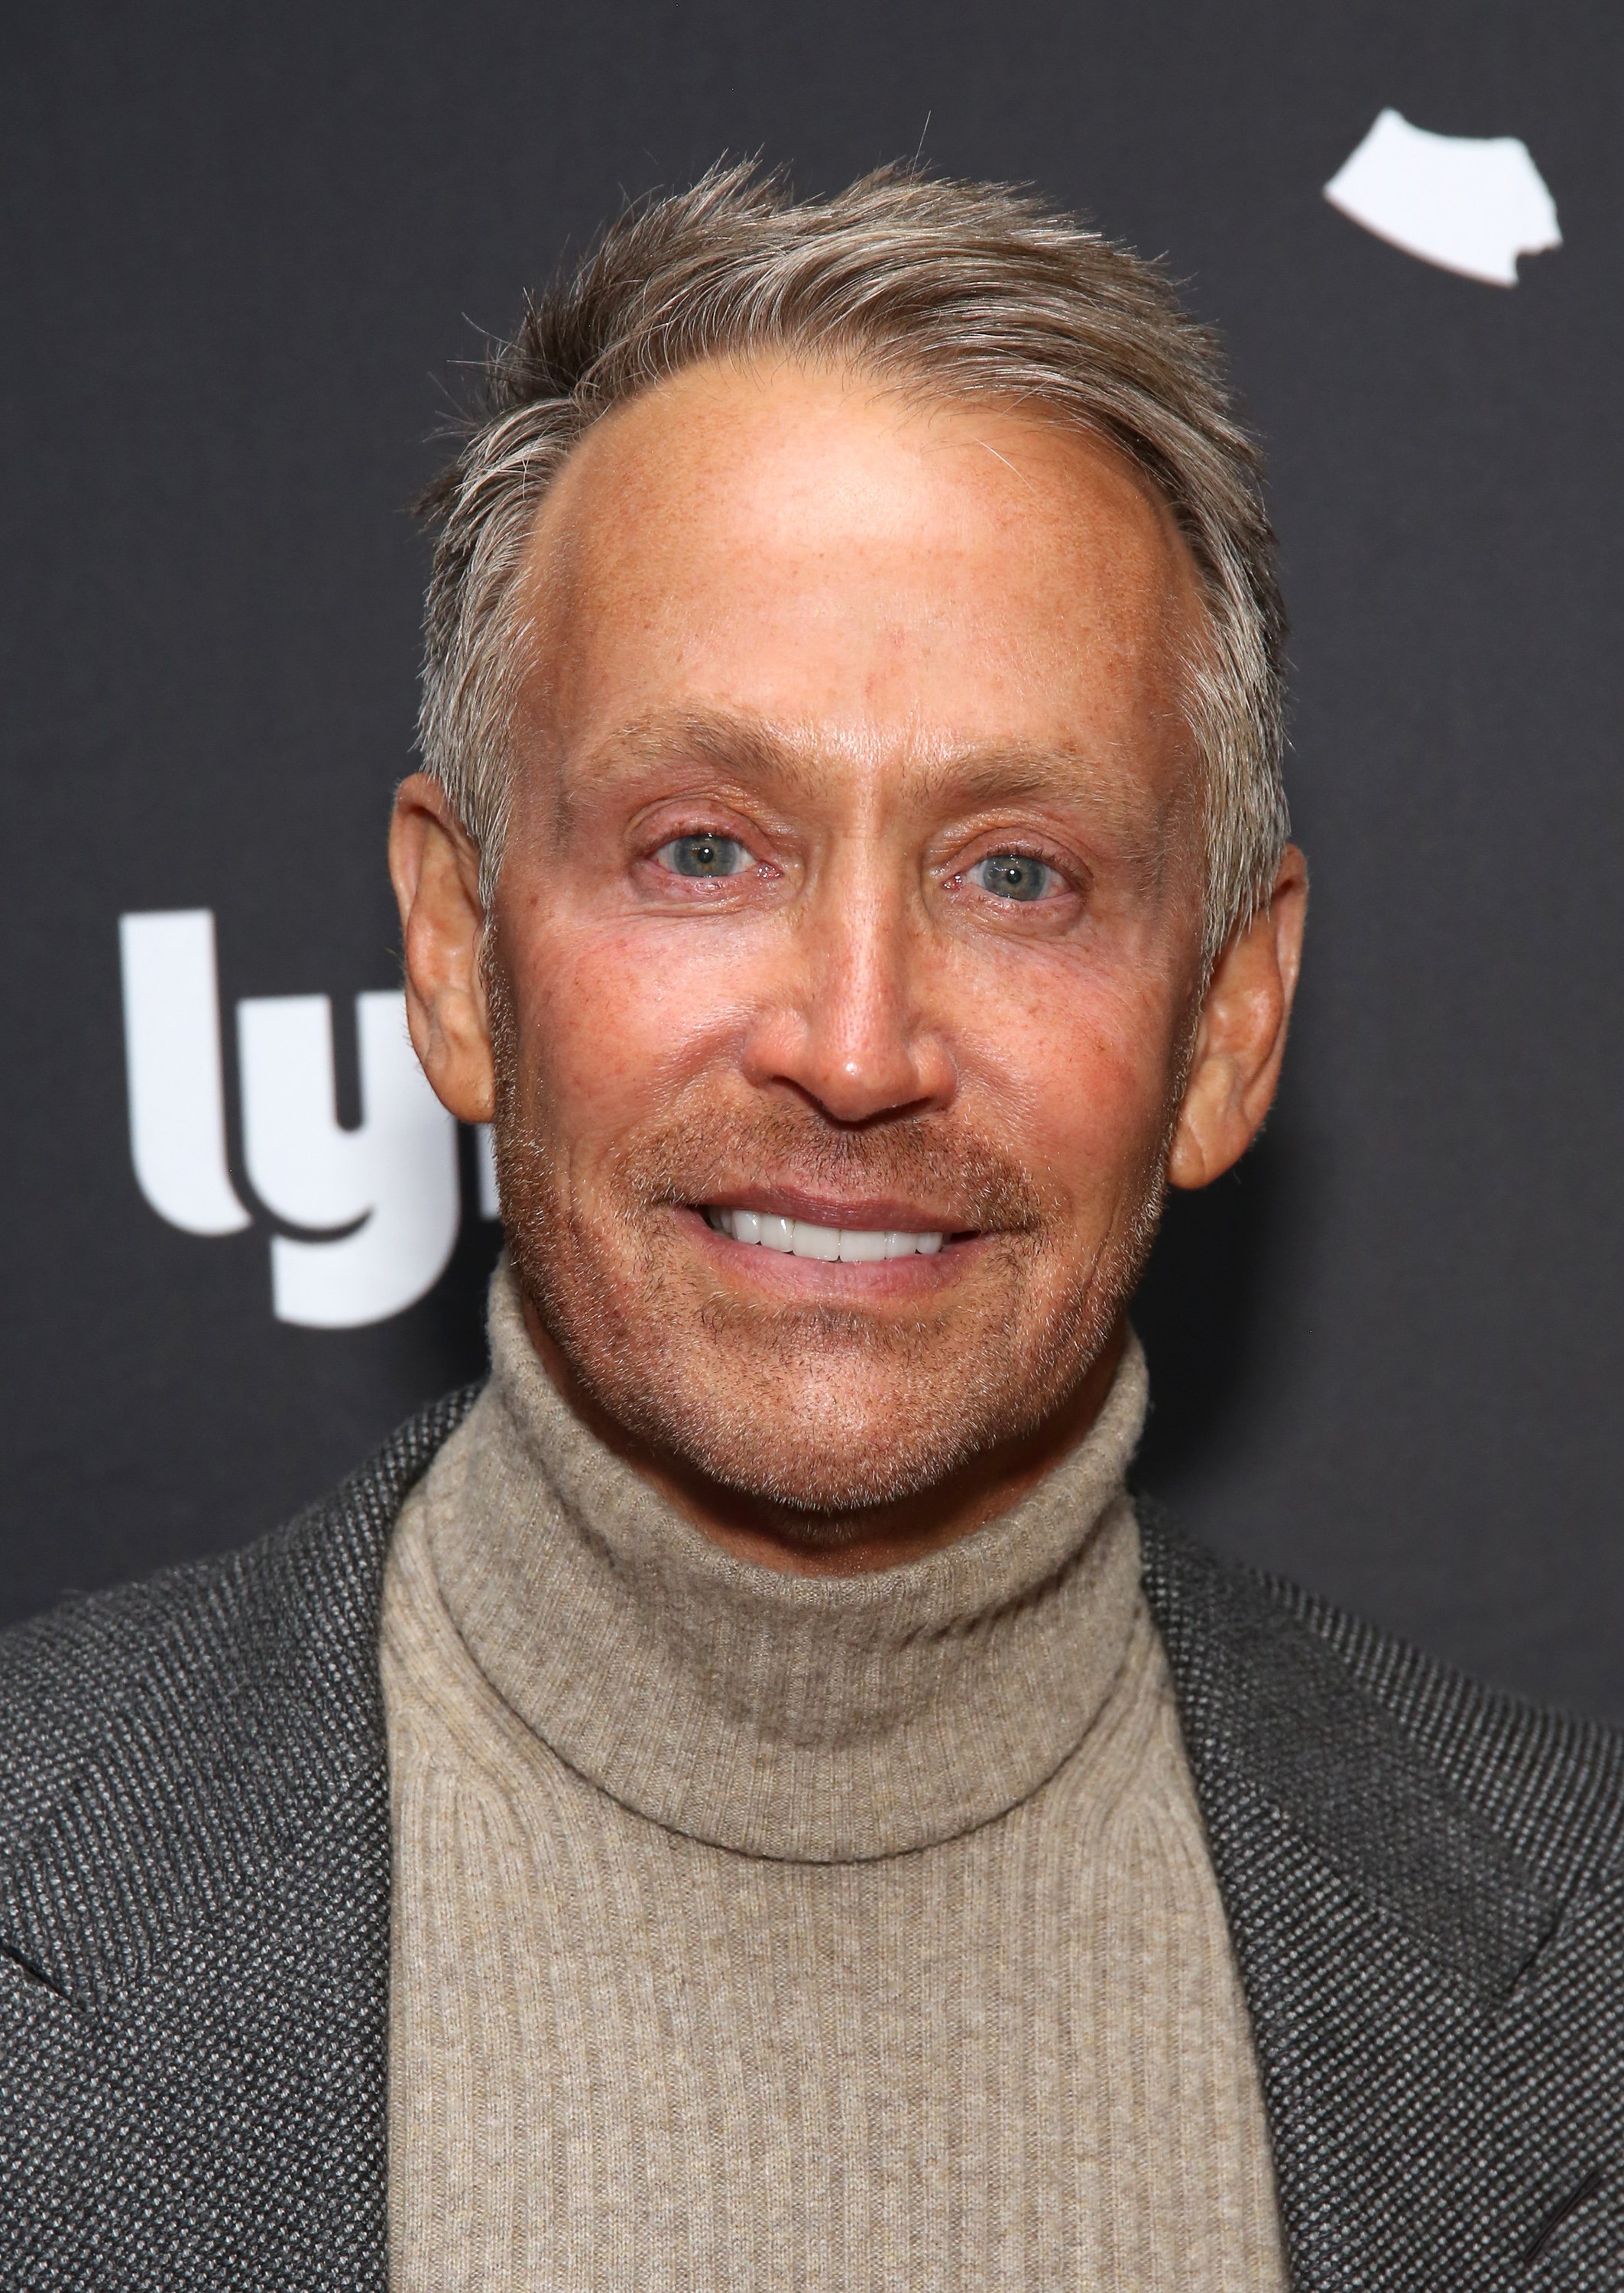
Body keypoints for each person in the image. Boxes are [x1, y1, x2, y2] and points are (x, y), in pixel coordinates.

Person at [2, 164, 1620, 2293]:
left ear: (1229, 1026)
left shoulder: (1577, 1977)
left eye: (1018, 874)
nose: (856, 1050)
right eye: (700, 848)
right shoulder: (43, 1890)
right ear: (458, 950)